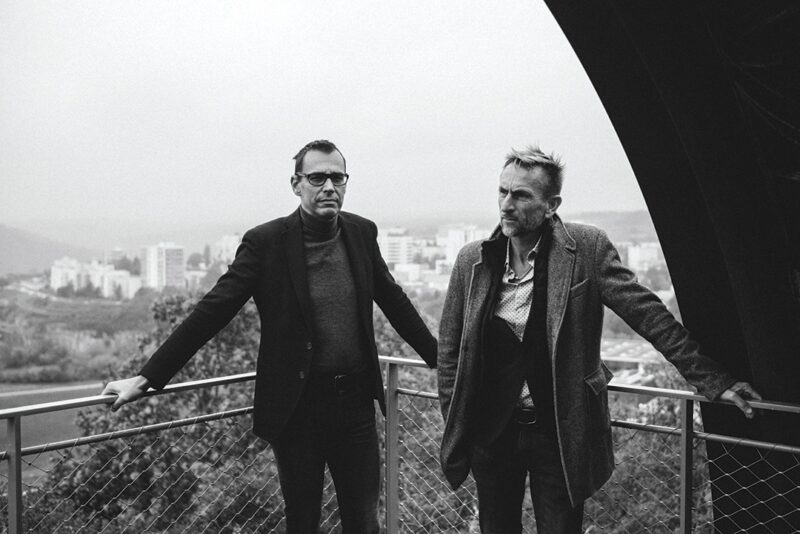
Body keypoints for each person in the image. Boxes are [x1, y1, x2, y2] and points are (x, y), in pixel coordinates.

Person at [102, 139, 437, 534]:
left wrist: (442, 360)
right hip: (298, 409)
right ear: (296, 184)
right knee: (303, 522)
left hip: (355, 405)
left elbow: (395, 301)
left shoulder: (362, 232)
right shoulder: (266, 243)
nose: (329, 187)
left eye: (338, 177)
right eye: (317, 178)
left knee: (365, 522)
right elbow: (213, 311)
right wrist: (147, 378)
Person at [437, 145, 761, 534]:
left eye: (521, 195)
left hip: (560, 434)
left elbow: (647, 314)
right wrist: (457, 420)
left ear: (551, 205)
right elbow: (450, 349)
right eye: (502, 191)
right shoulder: (472, 261)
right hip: (492, 433)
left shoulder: (586, 248)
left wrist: (711, 379)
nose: (506, 205)